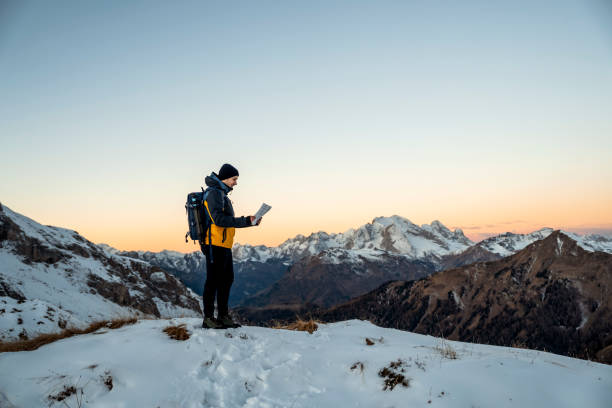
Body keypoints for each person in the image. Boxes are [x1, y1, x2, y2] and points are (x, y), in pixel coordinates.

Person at [201, 163, 261, 329]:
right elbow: (218, 220)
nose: (236, 182)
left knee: (226, 280)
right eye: (234, 179)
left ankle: (222, 316)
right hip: (214, 244)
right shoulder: (214, 193)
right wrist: (245, 221)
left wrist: (250, 222)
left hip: (223, 244)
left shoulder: (221, 194)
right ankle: (208, 318)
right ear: (226, 178)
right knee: (213, 281)